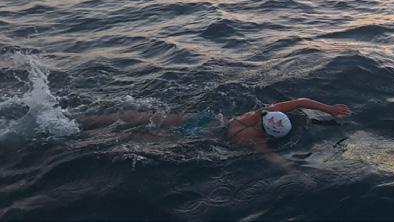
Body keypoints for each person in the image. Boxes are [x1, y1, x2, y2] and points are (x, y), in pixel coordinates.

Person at [78, 98, 351, 163]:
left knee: (152, 118)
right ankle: (87, 139)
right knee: (147, 138)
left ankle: (88, 120)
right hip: (204, 136)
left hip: (206, 120)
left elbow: (300, 101)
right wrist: (300, 176)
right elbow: (275, 160)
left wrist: (329, 108)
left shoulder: (260, 112)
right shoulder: (257, 141)